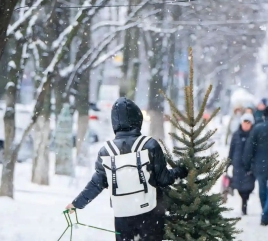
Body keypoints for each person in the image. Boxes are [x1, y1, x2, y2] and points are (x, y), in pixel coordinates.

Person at [65, 97, 188, 241]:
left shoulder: (106, 152)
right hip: (150, 213)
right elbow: (164, 179)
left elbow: (96, 184)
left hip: (123, 215)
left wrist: (76, 204)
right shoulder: (150, 145)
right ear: (138, 119)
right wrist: (183, 170)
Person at [228, 112, 255, 216]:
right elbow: (232, 149)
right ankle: (243, 202)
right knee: (239, 187)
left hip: (249, 165)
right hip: (237, 164)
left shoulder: (254, 135)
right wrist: (228, 163)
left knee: (248, 187)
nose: (246, 125)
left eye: (248, 123)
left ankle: (245, 202)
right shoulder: (236, 135)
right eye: (245, 122)